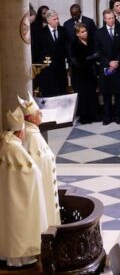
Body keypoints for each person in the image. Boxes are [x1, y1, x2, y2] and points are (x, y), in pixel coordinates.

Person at [0, 108, 47, 267]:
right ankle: (19, 258)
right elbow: (30, 172)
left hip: (12, 195)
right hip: (17, 198)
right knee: (18, 227)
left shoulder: (9, 144)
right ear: (21, 131)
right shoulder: (13, 148)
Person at [19, 95, 60, 228]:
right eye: (38, 112)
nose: (41, 113)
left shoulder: (33, 132)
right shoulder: (32, 136)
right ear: (31, 118)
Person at [96, 9, 120, 125]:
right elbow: (99, 51)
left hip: (119, 66)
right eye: (109, 18)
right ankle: (107, 116)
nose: (111, 20)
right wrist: (108, 62)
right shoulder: (99, 33)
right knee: (107, 93)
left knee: (119, 92)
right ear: (105, 19)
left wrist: (117, 61)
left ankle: (117, 116)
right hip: (106, 67)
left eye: (113, 18)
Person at [32, 10, 69, 97]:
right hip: (47, 72)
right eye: (54, 19)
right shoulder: (40, 33)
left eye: (57, 19)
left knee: (61, 97)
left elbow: (66, 48)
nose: (57, 21)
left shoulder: (63, 31)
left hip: (60, 72)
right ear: (48, 20)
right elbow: (36, 52)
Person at [69, 22, 100, 124]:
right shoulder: (74, 45)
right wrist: (90, 58)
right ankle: (84, 117)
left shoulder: (91, 42)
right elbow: (76, 61)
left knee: (92, 94)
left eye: (85, 31)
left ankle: (93, 115)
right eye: (82, 32)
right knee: (83, 96)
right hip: (79, 74)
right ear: (77, 34)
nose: (85, 33)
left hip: (90, 73)